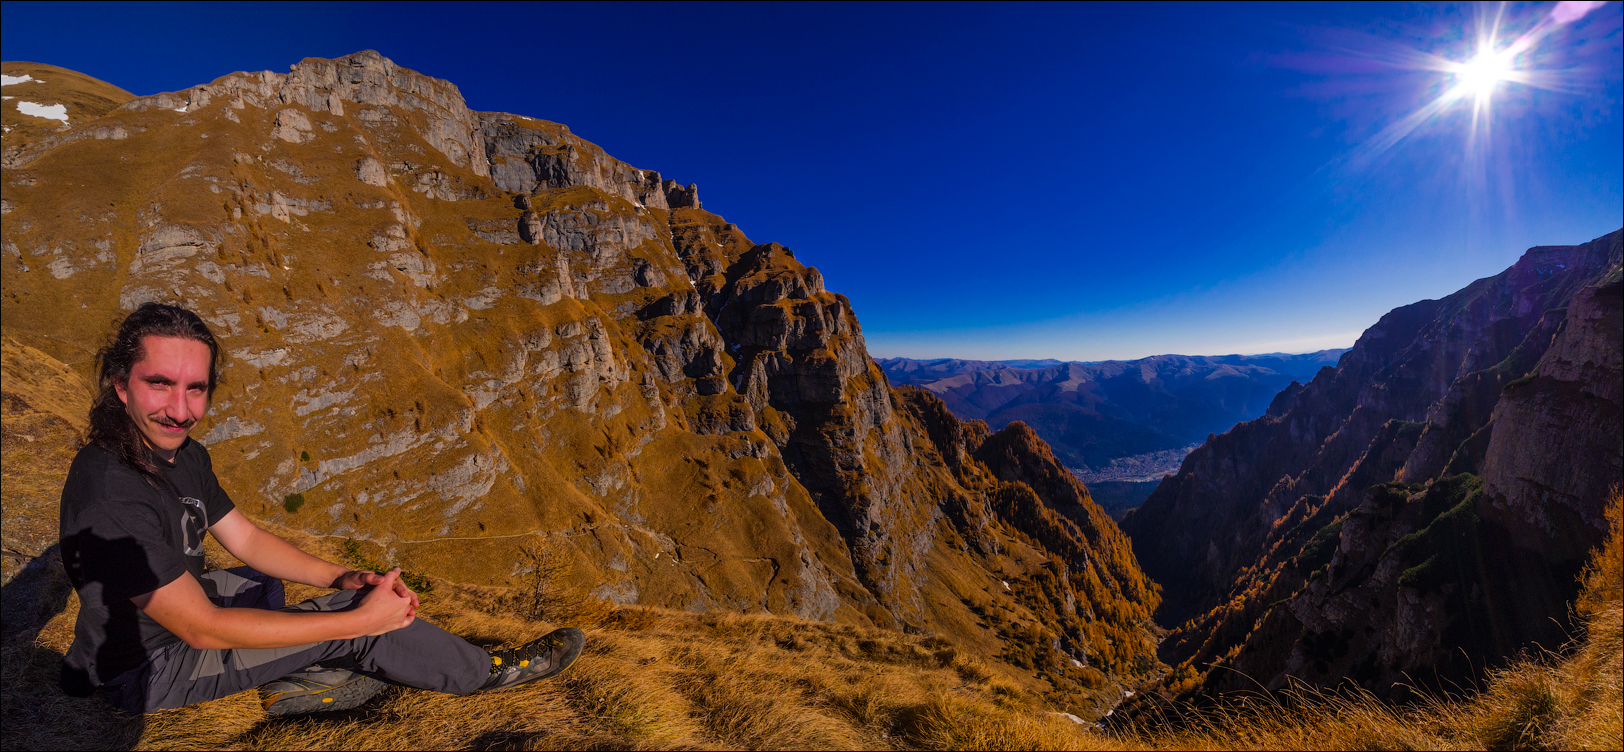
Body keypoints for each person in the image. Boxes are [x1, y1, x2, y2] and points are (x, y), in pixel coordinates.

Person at [58, 302, 583, 716]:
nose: (180, 409)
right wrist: (354, 618)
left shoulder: (181, 455)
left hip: (145, 629)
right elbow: (203, 629)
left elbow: (246, 539)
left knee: (260, 584)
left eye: (195, 388)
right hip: (148, 668)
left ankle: (299, 677)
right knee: (351, 624)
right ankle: (486, 671)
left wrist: (341, 575)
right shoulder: (111, 492)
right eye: (159, 384)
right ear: (120, 385)